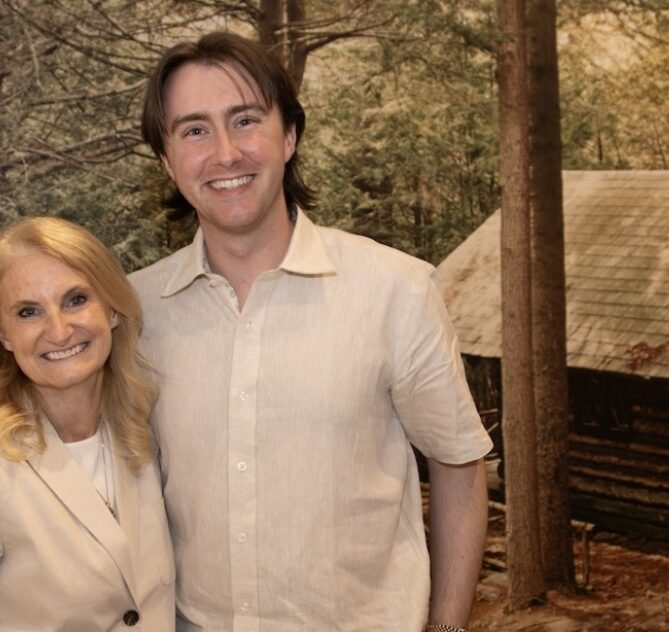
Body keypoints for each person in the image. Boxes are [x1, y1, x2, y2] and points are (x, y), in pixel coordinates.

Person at [131, 32, 492, 632]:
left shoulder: (395, 290)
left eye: (245, 120)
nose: (225, 153)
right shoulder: (137, 312)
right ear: (167, 161)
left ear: (289, 136)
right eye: (194, 130)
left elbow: (457, 464)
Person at [0, 217, 175, 631]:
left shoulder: (147, 430)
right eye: (28, 311)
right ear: (3, 334)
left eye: (76, 299)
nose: (60, 330)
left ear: (113, 309)